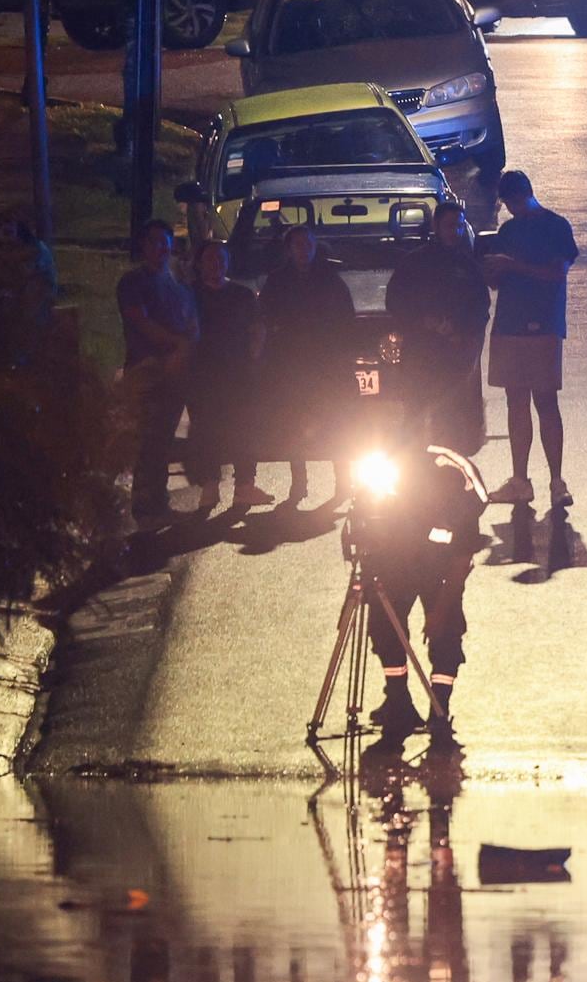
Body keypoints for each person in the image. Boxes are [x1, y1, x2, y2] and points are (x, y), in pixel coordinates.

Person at [351, 435, 488, 742]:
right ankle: (398, 700)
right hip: (397, 558)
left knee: (447, 630)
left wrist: (440, 611)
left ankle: (439, 708)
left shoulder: (461, 493)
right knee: (384, 623)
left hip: (440, 564)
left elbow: (460, 562)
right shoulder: (384, 485)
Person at [482, 170, 579, 507]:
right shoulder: (509, 231)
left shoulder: (555, 226)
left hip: (542, 323)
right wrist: (491, 269)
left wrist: (512, 265)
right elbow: (497, 281)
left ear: (518, 196)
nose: (511, 209)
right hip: (511, 322)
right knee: (517, 401)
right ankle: (521, 479)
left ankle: (555, 480)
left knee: (544, 401)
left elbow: (557, 273)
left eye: (511, 202)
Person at [258, 222, 358, 505]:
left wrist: (343, 356)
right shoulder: (277, 281)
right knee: (294, 425)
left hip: (327, 365)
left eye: (309, 245)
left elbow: (346, 320)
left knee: (337, 423)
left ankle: (343, 482)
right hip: (292, 365)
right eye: (299, 245)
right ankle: (299, 483)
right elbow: (266, 318)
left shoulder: (331, 280)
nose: (304, 250)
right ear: (289, 249)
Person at [384, 203, 493, 451]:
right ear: (436, 226)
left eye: (459, 226)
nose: (455, 232)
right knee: (415, 413)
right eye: (450, 226)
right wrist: (423, 322)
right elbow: (396, 302)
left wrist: (461, 332)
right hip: (421, 354)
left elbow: (480, 307)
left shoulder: (467, 265)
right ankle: (414, 465)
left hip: (454, 354)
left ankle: (448, 465)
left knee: (451, 417)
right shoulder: (415, 262)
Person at [116, 219, 199, 521]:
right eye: (153, 242)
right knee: (146, 438)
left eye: (165, 242)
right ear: (143, 246)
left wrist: (185, 348)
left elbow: (193, 322)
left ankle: (158, 500)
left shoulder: (178, 285)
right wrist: (177, 344)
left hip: (176, 371)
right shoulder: (132, 283)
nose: (160, 248)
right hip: (146, 370)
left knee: (163, 437)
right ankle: (144, 504)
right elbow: (141, 322)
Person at [184, 238, 263, 509]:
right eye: (210, 259)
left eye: (221, 258)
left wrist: (253, 354)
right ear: (199, 264)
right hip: (202, 374)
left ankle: (245, 485)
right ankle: (210, 486)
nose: (216, 264)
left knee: (244, 427)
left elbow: (257, 327)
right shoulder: (189, 295)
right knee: (206, 430)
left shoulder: (242, 294)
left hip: (237, 373)